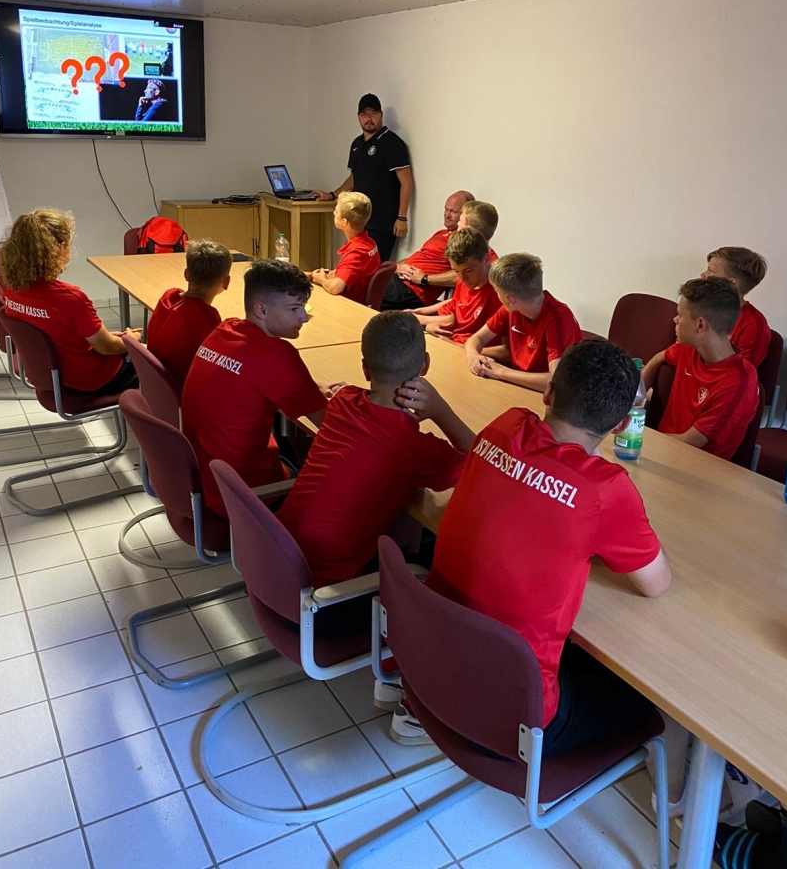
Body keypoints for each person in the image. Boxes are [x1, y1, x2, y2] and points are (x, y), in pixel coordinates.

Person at [389, 339, 671, 748]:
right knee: (646, 700)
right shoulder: (604, 489)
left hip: (431, 662)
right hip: (515, 719)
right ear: (620, 425)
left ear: (549, 393)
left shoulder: (505, 425)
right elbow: (656, 584)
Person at [276, 311, 471, 590]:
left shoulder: (343, 399)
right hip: (323, 590)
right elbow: (484, 464)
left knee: (407, 503)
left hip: (277, 556)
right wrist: (441, 412)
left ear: (366, 369)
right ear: (425, 365)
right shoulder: (416, 448)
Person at [181, 260, 341, 517]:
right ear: (261, 310)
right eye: (295, 308)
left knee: (288, 433)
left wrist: (311, 388)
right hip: (247, 496)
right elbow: (330, 425)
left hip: (203, 482)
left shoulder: (224, 330)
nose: (304, 317)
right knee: (339, 467)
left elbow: (252, 379)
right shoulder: (275, 354)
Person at [0, 209, 141, 395]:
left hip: (54, 375)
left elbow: (59, 333)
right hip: (92, 379)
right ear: (61, 248)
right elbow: (107, 347)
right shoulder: (70, 299)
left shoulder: (12, 290)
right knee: (160, 364)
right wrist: (131, 340)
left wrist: (111, 336)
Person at [642, 277, 759, 460]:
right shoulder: (689, 348)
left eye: (680, 315)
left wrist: (636, 435)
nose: (675, 319)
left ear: (700, 325)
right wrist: (633, 398)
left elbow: (690, 442)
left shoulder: (739, 381)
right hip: (660, 448)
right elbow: (660, 357)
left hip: (695, 465)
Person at [312, 93, 413, 262]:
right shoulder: (357, 144)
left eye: (373, 113)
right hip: (358, 220)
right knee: (358, 266)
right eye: (364, 114)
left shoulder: (392, 143)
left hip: (382, 222)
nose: (369, 118)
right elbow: (354, 178)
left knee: (374, 268)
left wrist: (402, 217)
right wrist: (332, 195)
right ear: (358, 117)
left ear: (381, 115)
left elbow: (406, 182)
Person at [465, 253, 581, 391]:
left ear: (510, 299)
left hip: (544, 395)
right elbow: (477, 338)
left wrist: (502, 372)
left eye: (496, 291)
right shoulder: (511, 309)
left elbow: (557, 382)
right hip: (519, 387)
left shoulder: (558, 319)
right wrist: (473, 355)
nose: (496, 294)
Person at [145, 239, 232, 385]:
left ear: (186, 275)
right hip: (183, 388)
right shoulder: (208, 318)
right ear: (226, 282)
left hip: (159, 384)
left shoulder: (168, 297)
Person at [381, 189, 475, 310]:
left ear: (466, 215)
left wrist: (424, 279)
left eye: (453, 211)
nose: (447, 215)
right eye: (446, 209)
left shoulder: (464, 241)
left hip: (411, 290)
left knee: (363, 289)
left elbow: (463, 275)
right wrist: (399, 266)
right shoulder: (441, 233)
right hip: (398, 280)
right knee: (363, 280)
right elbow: (420, 257)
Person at [411, 228, 502, 343]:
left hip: (469, 349)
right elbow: (455, 319)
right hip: (453, 341)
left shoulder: (499, 292)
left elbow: (505, 349)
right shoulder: (462, 282)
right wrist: (428, 325)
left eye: (468, 270)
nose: (463, 278)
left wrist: (421, 320)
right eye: (456, 271)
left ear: (486, 258)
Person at [702, 246, 770, 368]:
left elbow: (740, 371)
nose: (703, 275)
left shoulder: (753, 324)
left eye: (710, 271)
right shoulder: (701, 309)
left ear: (731, 283)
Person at [308, 191, 380, 304]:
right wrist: (313, 275)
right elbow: (343, 272)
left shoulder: (357, 252)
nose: (334, 213)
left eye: (336, 211)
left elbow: (335, 288)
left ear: (344, 222)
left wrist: (321, 279)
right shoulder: (369, 243)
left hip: (348, 303)